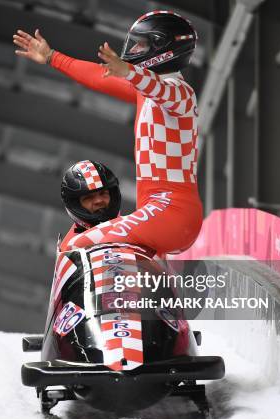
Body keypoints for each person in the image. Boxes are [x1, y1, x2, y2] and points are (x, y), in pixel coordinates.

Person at [14, 11, 202, 256]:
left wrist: (129, 72)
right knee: (80, 231)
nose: (134, 49)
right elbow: (98, 77)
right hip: (158, 214)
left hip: (172, 214)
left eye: (141, 44)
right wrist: (51, 57)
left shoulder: (181, 93)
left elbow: (161, 90)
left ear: (162, 49)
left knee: (72, 247)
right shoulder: (146, 91)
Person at [59, 160, 121, 249]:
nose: (99, 200)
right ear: (76, 205)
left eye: (103, 193)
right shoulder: (70, 248)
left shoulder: (133, 226)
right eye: (88, 197)